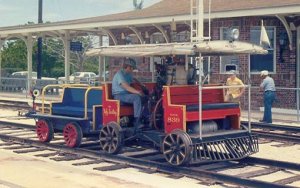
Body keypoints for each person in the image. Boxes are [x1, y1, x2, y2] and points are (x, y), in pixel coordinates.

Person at [112, 58, 146, 131]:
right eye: (132, 68)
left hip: (126, 96)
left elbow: (134, 79)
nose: (132, 70)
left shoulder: (128, 74)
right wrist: (138, 92)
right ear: (128, 67)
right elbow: (126, 87)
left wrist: (142, 85)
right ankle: (137, 121)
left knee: (144, 98)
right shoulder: (120, 75)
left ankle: (144, 118)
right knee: (136, 97)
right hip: (119, 96)